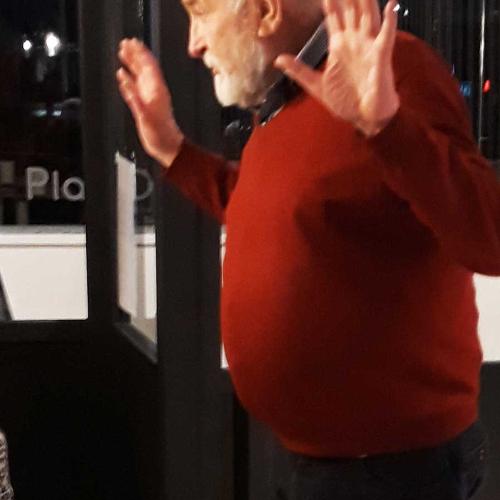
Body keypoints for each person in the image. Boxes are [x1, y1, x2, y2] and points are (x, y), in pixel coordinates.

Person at [117, 0, 500, 498]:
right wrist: (172, 148)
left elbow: (489, 239)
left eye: (202, 15)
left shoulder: (390, 68)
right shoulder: (288, 99)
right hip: (321, 460)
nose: (194, 44)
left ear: (267, 10)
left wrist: (385, 124)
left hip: (394, 470)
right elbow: (270, 211)